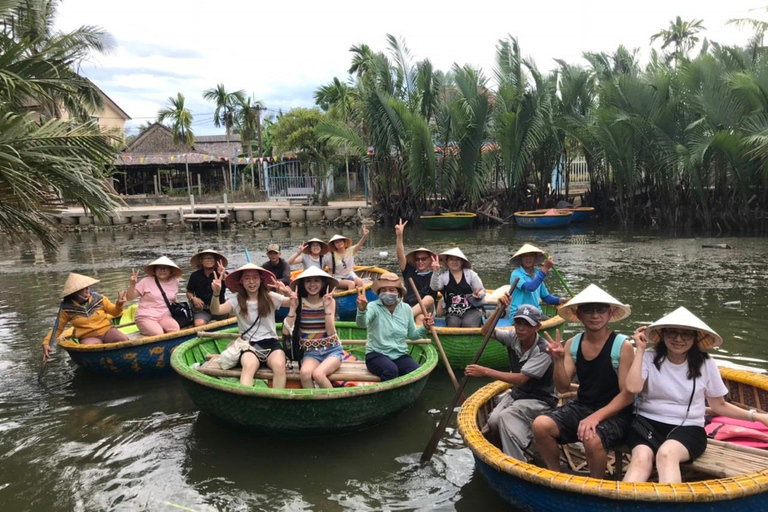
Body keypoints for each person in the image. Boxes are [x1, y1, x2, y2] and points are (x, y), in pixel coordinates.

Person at [623, 307, 768, 484]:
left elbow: (719, 406)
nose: (678, 339)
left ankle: (670, 505)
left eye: (686, 335)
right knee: (640, 459)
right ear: (663, 335)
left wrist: (757, 416)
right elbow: (632, 387)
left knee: (666, 454)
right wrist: (640, 350)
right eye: (672, 333)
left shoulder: (706, 364)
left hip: (688, 428)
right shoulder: (648, 357)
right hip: (646, 425)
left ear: (695, 338)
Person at [532, 284, 634, 478]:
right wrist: (559, 360)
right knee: (540, 425)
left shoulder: (623, 346)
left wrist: (596, 417)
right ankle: (555, 475)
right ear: (579, 314)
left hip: (617, 413)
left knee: (591, 437)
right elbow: (562, 387)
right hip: (583, 406)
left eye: (601, 309)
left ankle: (596, 484)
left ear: (610, 313)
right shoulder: (573, 344)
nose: (595, 315)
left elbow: (627, 395)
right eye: (588, 310)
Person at [465, 300, 558, 461]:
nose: (521, 328)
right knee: (493, 421)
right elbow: (485, 331)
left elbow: (521, 379)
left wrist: (485, 371)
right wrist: (499, 309)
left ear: (537, 327)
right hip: (518, 394)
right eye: (518, 323)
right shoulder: (513, 337)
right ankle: (506, 448)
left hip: (540, 399)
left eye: (527, 325)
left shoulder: (543, 351)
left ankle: (517, 460)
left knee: (504, 417)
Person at [209, 263, 292, 387]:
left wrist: (287, 292)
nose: (251, 282)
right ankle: (246, 398)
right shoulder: (237, 300)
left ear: (260, 280)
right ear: (241, 281)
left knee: (279, 366)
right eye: (247, 278)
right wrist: (216, 294)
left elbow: (292, 302)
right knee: (249, 365)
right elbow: (216, 310)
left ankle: (277, 399)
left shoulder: (270, 297)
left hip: (271, 343)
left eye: (255, 278)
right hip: (248, 345)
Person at [356, 272, 434, 381]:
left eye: (391, 290)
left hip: (400, 355)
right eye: (384, 290)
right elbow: (361, 324)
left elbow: (413, 335)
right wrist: (362, 310)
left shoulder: (406, 309)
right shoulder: (373, 306)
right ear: (379, 292)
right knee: (391, 370)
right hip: (376, 355)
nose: (387, 293)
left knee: (416, 371)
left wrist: (425, 327)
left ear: (398, 292)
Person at [42, 273, 128, 360]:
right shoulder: (66, 308)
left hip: (107, 331)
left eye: (88, 288)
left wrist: (119, 304)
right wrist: (47, 343)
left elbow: (115, 313)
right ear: (75, 292)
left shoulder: (99, 299)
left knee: (123, 340)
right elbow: (58, 328)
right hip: (87, 337)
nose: (87, 291)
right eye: (84, 289)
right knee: (93, 349)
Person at [283, 267, 340, 388]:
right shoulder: (299, 302)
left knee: (318, 374)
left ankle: (335, 404)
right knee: (305, 373)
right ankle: (314, 403)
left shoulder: (330, 301)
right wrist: (293, 308)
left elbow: (330, 332)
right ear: (303, 284)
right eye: (308, 281)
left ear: (323, 283)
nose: (312, 284)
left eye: (316, 281)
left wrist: (327, 308)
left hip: (332, 350)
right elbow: (286, 331)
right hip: (311, 352)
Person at [127, 256, 184, 336]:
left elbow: (173, 299)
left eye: (165, 269)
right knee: (158, 333)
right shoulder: (146, 281)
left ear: (171, 270)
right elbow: (129, 298)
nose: (162, 271)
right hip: (146, 316)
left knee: (175, 329)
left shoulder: (175, 281)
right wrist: (132, 285)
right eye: (159, 268)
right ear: (155, 270)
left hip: (165, 315)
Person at [394, 218, 437, 324]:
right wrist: (400, 236)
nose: (420, 262)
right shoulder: (409, 271)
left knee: (428, 299)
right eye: (417, 259)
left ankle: (401, 320)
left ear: (429, 260)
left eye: (423, 259)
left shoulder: (435, 275)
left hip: (428, 309)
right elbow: (400, 256)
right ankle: (416, 339)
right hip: (410, 307)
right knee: (420, 319)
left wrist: (436, 271)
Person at [429, 247, 486, 328]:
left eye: (457, 260)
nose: (454, 262)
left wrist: (479, 294)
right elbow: (434, 288)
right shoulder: (444, 277)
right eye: (451, 259)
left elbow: (482, 291)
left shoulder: (470, 274)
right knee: (453, 325)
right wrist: (435, 271)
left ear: (462, 262)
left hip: (471, 310)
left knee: (468, 324)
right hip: (452, 312)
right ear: (447, 262)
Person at [509, 244, 568, 316]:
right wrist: (545, 268)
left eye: (531, 255)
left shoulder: (537, 273)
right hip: (519, 314)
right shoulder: (516, 274)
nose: (528, 258)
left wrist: (563, 300)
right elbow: (531, 287)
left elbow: (546, 297)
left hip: (535, 313)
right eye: (525, 256)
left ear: (535, 258)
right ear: (521, 259)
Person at [186, 249, 229, 327]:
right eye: (205, 258)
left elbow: (233, 287)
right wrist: (193, 298)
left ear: (215, 261)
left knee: (238, 315)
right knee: (199, 324)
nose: (208, 260)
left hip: (220, 307)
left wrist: (223, 275)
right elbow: (189, 292)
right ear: (201, 261)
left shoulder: (222, 273)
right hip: (203, 310)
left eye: (211, 258)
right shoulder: (195, 276)